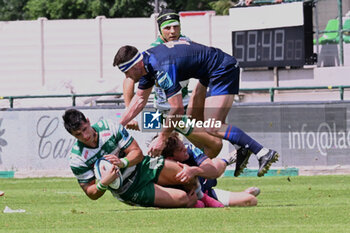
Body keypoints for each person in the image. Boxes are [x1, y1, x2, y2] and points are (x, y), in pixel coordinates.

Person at [113, 41, 279, 177]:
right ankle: (241, 148)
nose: (128, 78)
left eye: (127, 73)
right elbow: (140, 99)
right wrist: (116, 127)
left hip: (221, 69)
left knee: (213, 125)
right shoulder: (147, 63)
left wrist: (162, 138)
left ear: (136, 66)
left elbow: (177, 109)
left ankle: (262, 151)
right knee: (202, 125)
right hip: (208, 73)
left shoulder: (161, 67)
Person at [62, 108, 223, 208]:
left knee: (184, 173)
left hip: (142, 167)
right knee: (183, 200)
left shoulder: (109, 128)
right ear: (72, 135)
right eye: (78, 134)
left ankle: (204, 198)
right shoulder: (77, 159)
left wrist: (123, 162)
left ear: (88, 121)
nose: (85, 136)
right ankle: (193, 203)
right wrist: (104, 182)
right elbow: (91, 193)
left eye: (85, 129)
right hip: (129, 188)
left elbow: (137, 153)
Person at [122, 8, 222, 158]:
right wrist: (129, 111)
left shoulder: (186, 43)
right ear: (160, 30)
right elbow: (129, 79)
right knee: (209, 146)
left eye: (176, 26)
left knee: (201, 148)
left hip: (181, 108)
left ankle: (197, 175)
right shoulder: (154, 51)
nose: (172, 31)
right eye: (167, 28)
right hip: (164, 112)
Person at [159, 132, 259, 207]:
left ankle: (229, 159)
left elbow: (212, 170)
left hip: (204, 183)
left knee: (214, 166)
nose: (184, 149)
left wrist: (194, 171)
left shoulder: (189, 149)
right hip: (198, 196)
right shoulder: (160, 167)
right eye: (180, 150)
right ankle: (244, 193)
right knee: (249, 199)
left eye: (182, 145)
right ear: (170, 158)